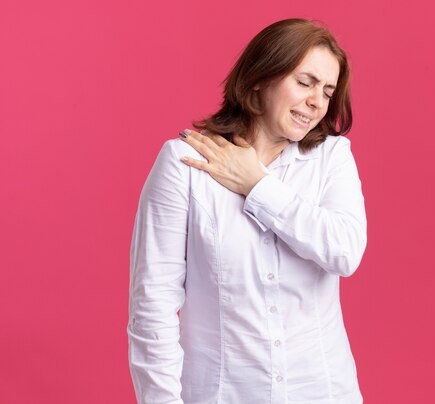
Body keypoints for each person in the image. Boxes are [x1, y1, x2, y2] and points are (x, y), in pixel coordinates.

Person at [128, 18, 367, 403]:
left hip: (323, 391)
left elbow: (344, 250)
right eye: (305, 82)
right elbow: (152, 307)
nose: (317, 101)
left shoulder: (332, 158)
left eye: (327, 91)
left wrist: (258, 185)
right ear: (259, 78)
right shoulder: (185, 164)